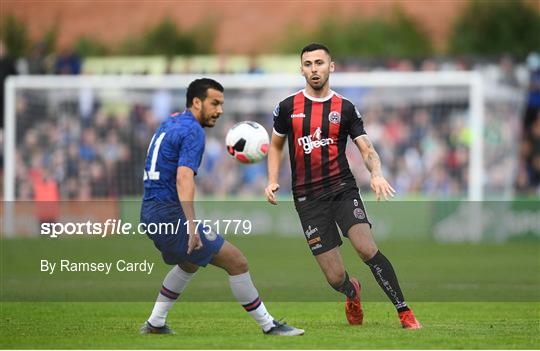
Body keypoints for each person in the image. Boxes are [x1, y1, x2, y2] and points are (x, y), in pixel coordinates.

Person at [265, 44, 421, 329]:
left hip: (342, 188)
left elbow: (366, 147)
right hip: (307, 198)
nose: (314, 69)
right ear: (302, 69)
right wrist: (273, 179)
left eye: (319, 63)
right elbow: (275, 145)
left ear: (331, 67)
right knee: (335, 277)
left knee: (365, 248)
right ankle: (352, 291)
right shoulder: (287, 107)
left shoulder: (345, 108)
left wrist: (376, 173)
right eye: (308, 64)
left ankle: (404, 311)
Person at [140, 78, 304, 336]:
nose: (220, 110)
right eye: (214, 103)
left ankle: (155, 323)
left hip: (150, 211)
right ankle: (269, 325)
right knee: (237, 262)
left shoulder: (171, 121)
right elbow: (183, 178)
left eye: (222, 104)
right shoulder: (193, 131)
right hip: (169, 215)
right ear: (196, 102)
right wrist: (191, 225)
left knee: (189, 264)